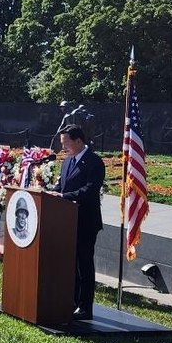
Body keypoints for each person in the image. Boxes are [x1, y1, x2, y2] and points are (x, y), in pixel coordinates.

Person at [53, 126, 105, 320]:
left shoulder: (94, 161)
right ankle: (72, 301)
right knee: (70, 264)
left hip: (86, 221)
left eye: (66, 143)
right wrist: (52, 192)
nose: (64, 147)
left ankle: (85, 307)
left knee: (84, 265)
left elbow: (91, 189)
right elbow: (61, 185)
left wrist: (64, 196)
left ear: (78, 141)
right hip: (67, 221)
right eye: (62, 143)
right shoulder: (67, 162)